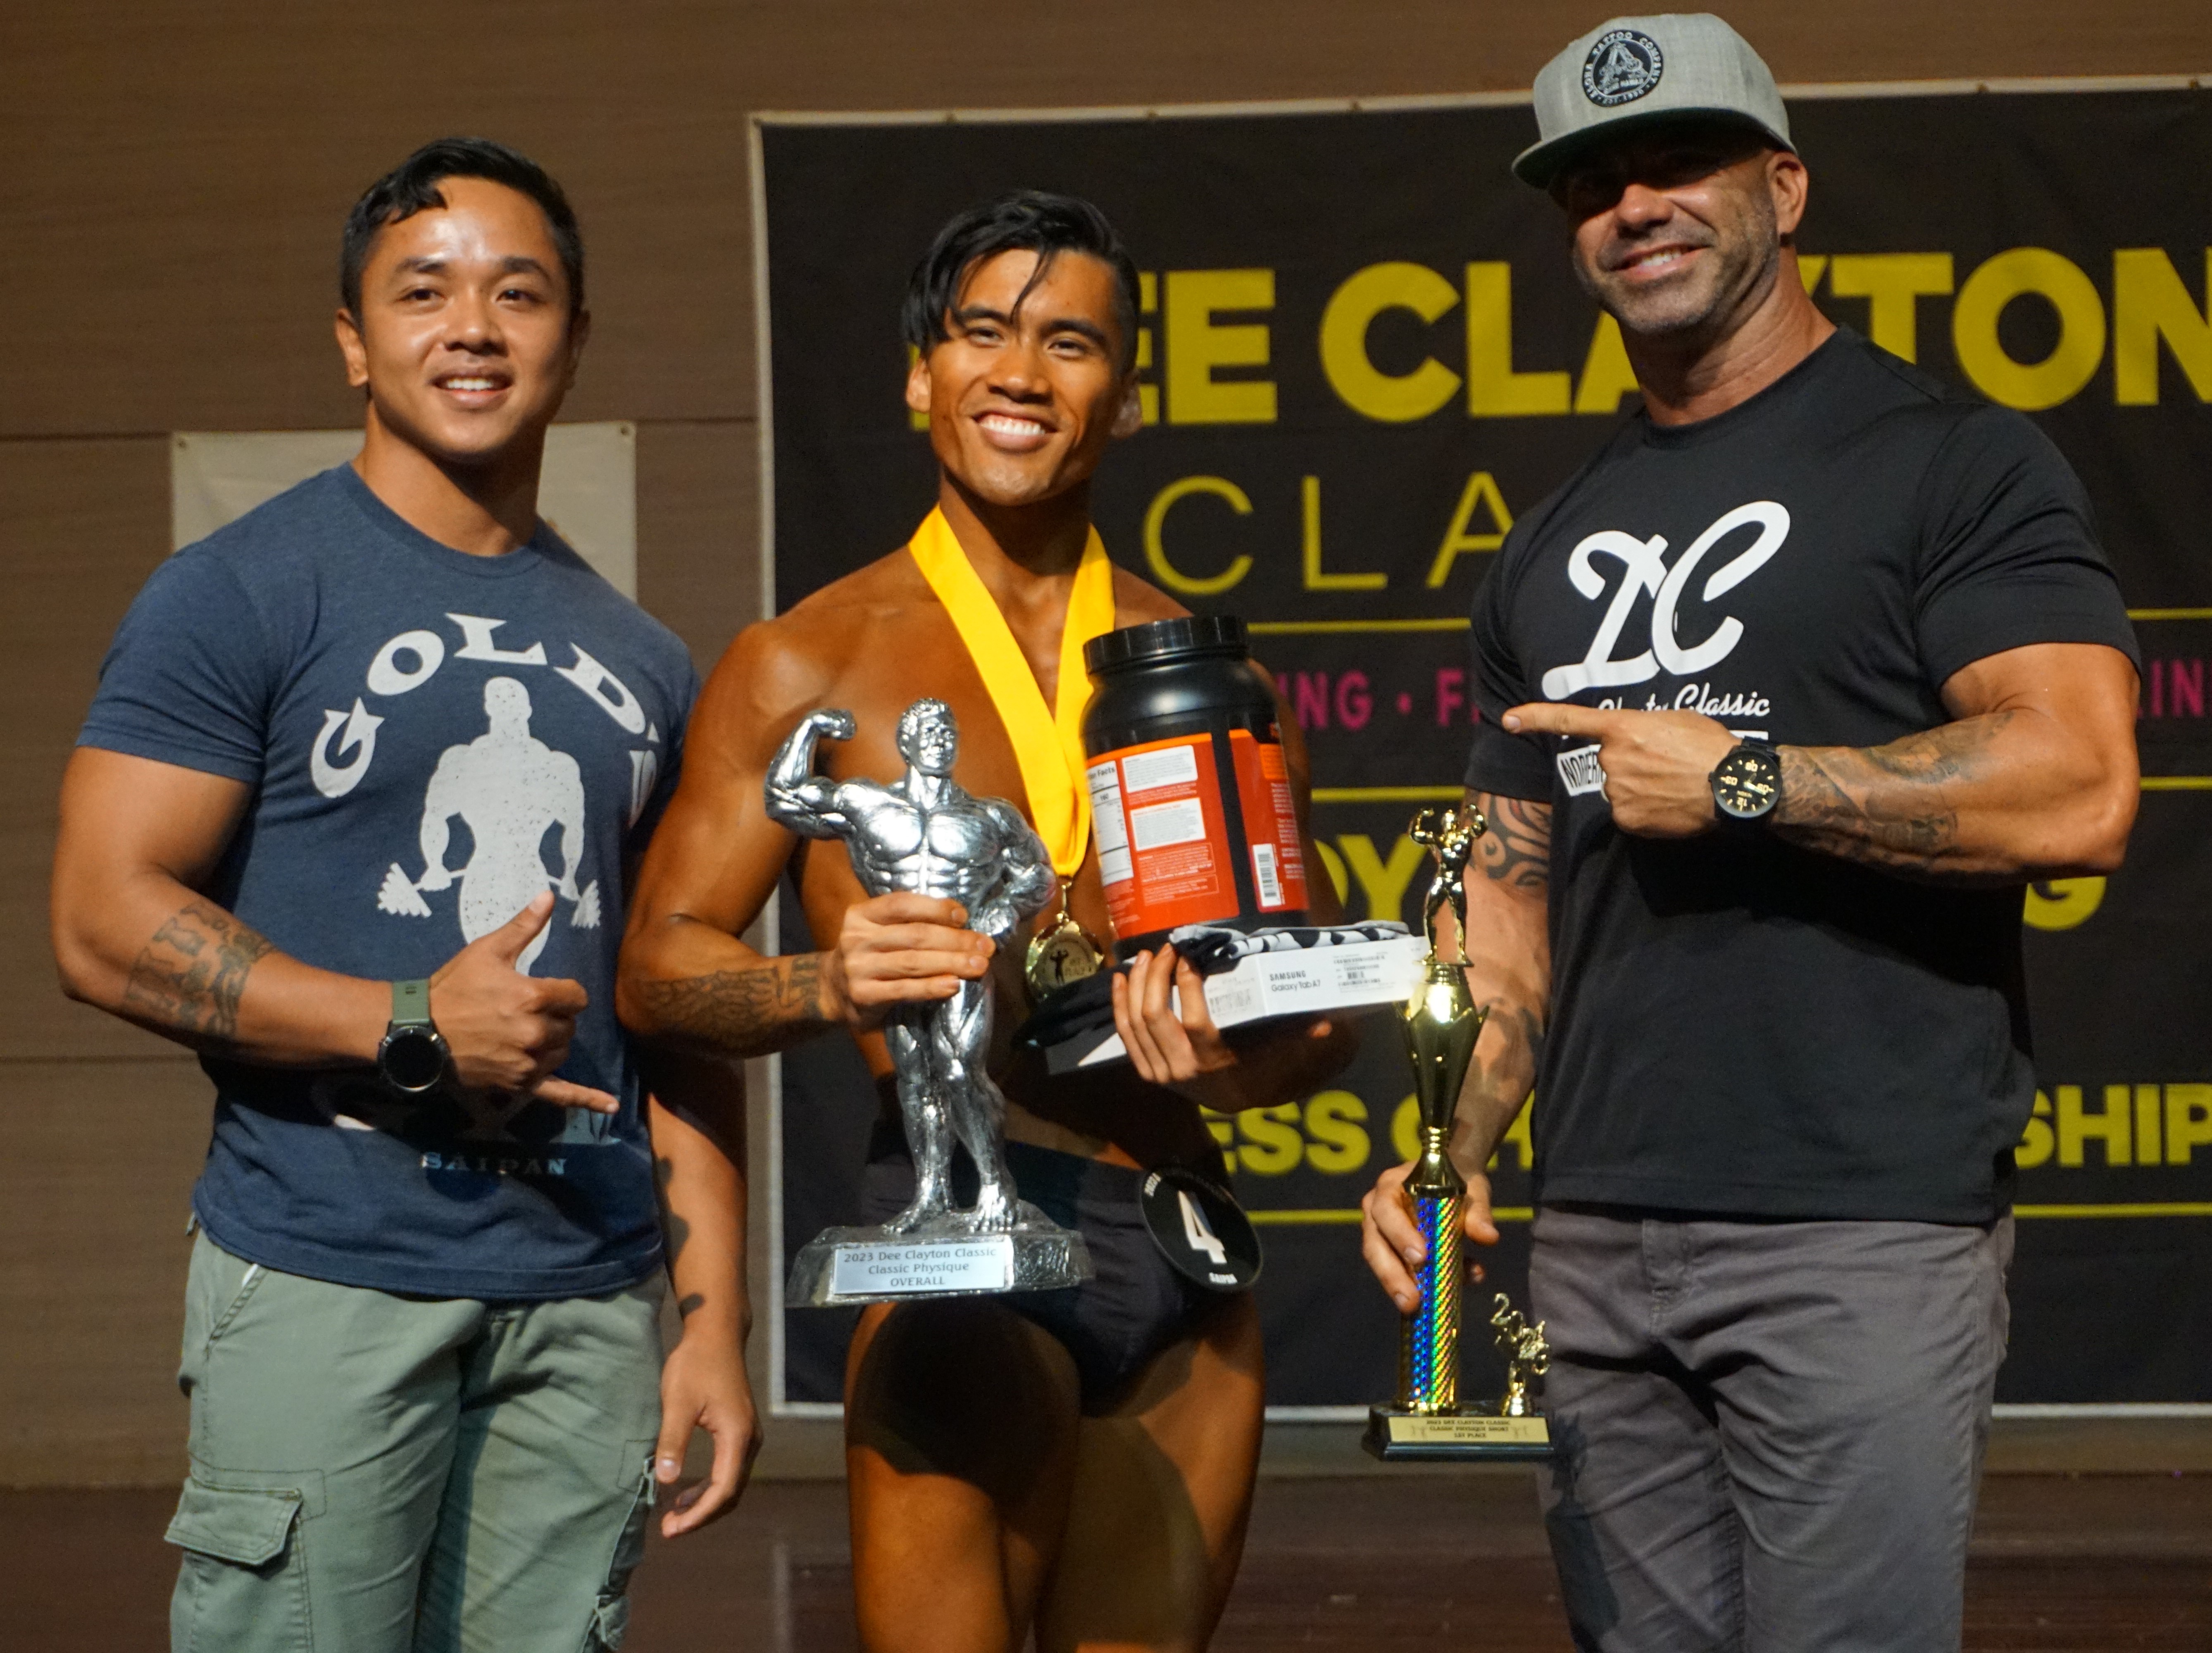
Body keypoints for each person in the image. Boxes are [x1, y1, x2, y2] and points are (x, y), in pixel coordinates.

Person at [1357, 17, 2140, 1651]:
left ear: (1782, 186)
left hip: (1851, 1225)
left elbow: (2076, 785)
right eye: (1589, 181)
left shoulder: (1951, 461)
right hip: (1593, 1235)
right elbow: (1508, 901)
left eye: (1674, 162)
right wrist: (1451, 1144)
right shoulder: (1546, 545)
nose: (1629, 203)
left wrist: (1744, 780)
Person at [617, 189, 1355, 1653]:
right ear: (920, 376)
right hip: (960, 1245)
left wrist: (1236, 1044)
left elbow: (1314, 1024)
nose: (1022, 373)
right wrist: (827, 985)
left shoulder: (1200, 674)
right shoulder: (807, 662)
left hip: (1177, 1246)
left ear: (1125, 399)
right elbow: (654, 969)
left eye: (1070, 342)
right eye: (983, 334)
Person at [50, 137, 755, 1652]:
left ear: (574, 336)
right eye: (423, 292)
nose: (475, 326)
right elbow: (100, 915)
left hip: (586, 1288)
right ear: (355, 345)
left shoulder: (641, 658)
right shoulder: (245, 588)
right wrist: (403, 1016)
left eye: (522, 292)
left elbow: (675, 997)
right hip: (326, 1265)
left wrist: (712, 1319)